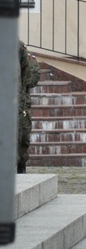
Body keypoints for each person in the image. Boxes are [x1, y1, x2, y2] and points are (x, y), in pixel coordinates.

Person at [17, 40, 40, 174]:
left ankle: (21, 164)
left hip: (19, 102)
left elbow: (30, 80)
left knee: (23, 135)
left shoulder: (18, 46)